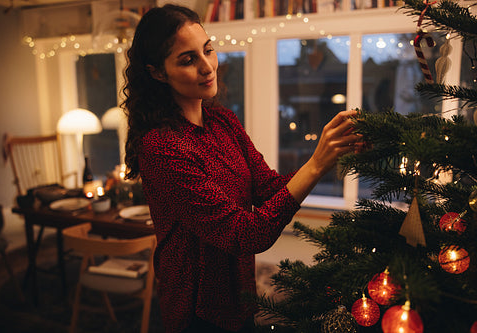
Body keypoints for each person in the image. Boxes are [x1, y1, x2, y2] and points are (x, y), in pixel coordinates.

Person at [123, 4, 360, 333]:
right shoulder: (162, 147)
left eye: (208, 50)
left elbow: (270, 190)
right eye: (188, 59)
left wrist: (329, 155)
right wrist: (316, 165)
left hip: (241, 294)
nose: (208, 67)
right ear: (157, 73)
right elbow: (243, 234)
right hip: (196, 307)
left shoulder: (222, 120)